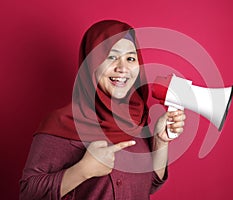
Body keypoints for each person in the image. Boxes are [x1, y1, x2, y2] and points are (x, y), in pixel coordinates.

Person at [20, 20, 186, 200]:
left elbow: (149, 185)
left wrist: (160, 142)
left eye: (130, 58)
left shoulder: (137, 118)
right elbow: (28, 193)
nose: (123, 68)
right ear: (91, 63)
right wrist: (83, 170)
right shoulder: (64, 122)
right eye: (111, 57)